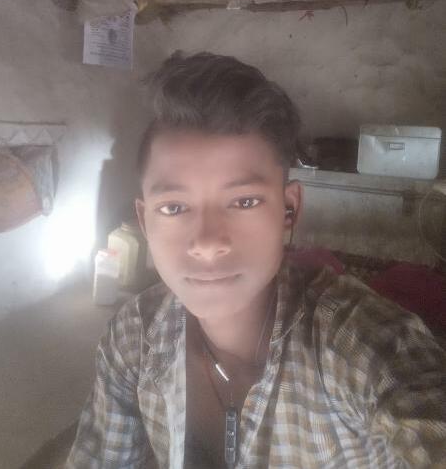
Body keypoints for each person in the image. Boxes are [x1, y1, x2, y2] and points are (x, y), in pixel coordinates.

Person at [66, 52, 446, 469]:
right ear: (144, 221)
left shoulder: (360, 347)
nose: (207, 244)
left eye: (244, 201)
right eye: (174, 207)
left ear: (289, 211)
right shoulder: (134, 336)